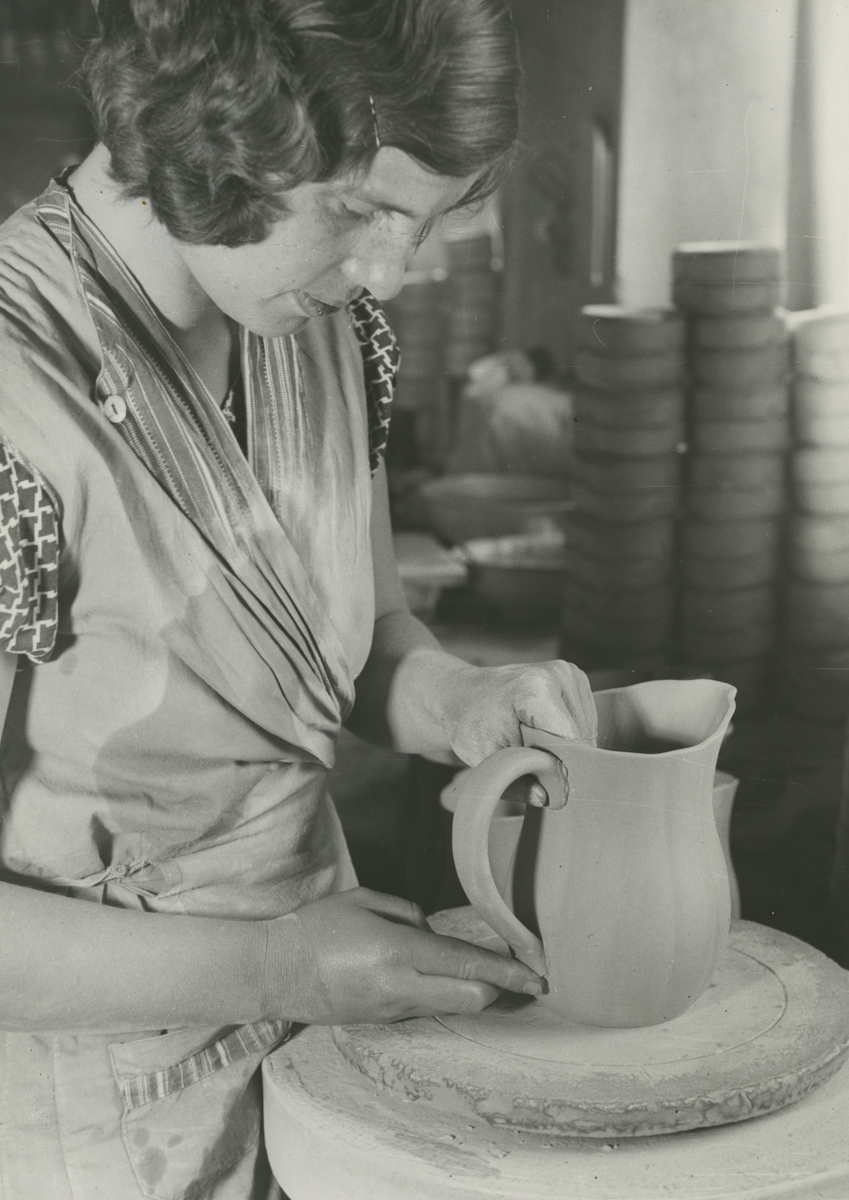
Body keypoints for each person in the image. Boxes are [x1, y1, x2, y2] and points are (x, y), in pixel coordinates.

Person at [0, 1, 597, 1196]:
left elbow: (368, 643)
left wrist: (459, 698)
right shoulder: (18, 393)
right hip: (96, 1092)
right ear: (215, 127)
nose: (391, 273)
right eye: (364, 209)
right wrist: (273, 968)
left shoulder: (325, 325)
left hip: (319, 1011)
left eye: (426, 222)